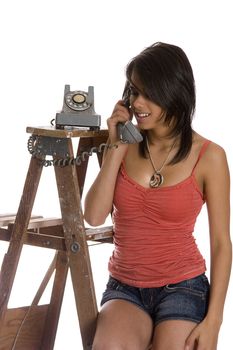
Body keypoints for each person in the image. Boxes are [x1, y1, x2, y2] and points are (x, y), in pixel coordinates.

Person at [84, 42, 232, 350]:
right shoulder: (122, 147)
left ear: (173, 93)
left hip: (184, 287)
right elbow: (94, 216)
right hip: (126, 287)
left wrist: (214, 320)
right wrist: (115, 145)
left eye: (147, 93)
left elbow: (221, 242)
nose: (137, 102)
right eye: (133, 91)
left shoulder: (210, 156)